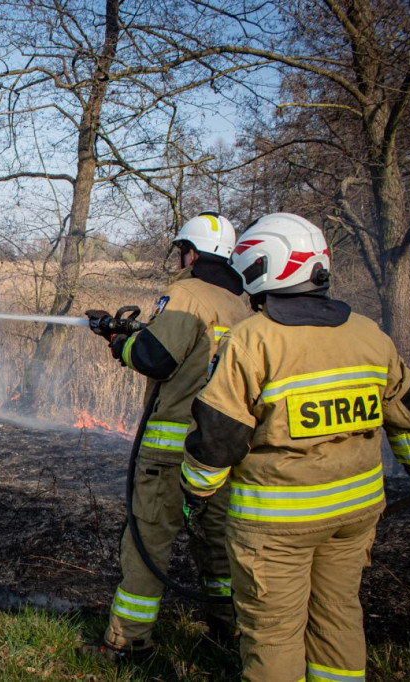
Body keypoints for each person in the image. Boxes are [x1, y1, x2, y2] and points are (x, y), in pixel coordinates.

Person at [179, 213, 410, 682]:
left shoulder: (253, 340)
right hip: (354, 515)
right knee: (338, 615)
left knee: (274, 632)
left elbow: (218, 436)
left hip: (277, 524)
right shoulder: (368, 334)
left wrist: (196, 491)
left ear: (261, 268)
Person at [86, 211, 248, 661]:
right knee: (217, 546)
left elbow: (157, 359)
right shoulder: (241, 306)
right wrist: (135, 332)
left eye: (182, 251)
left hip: (170, 453)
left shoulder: (186, 295)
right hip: (218, 453)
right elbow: (194, 351)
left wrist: (119, 344)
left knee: (147, 543)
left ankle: (128, 644)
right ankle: (229, 632)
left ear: (190, 253)